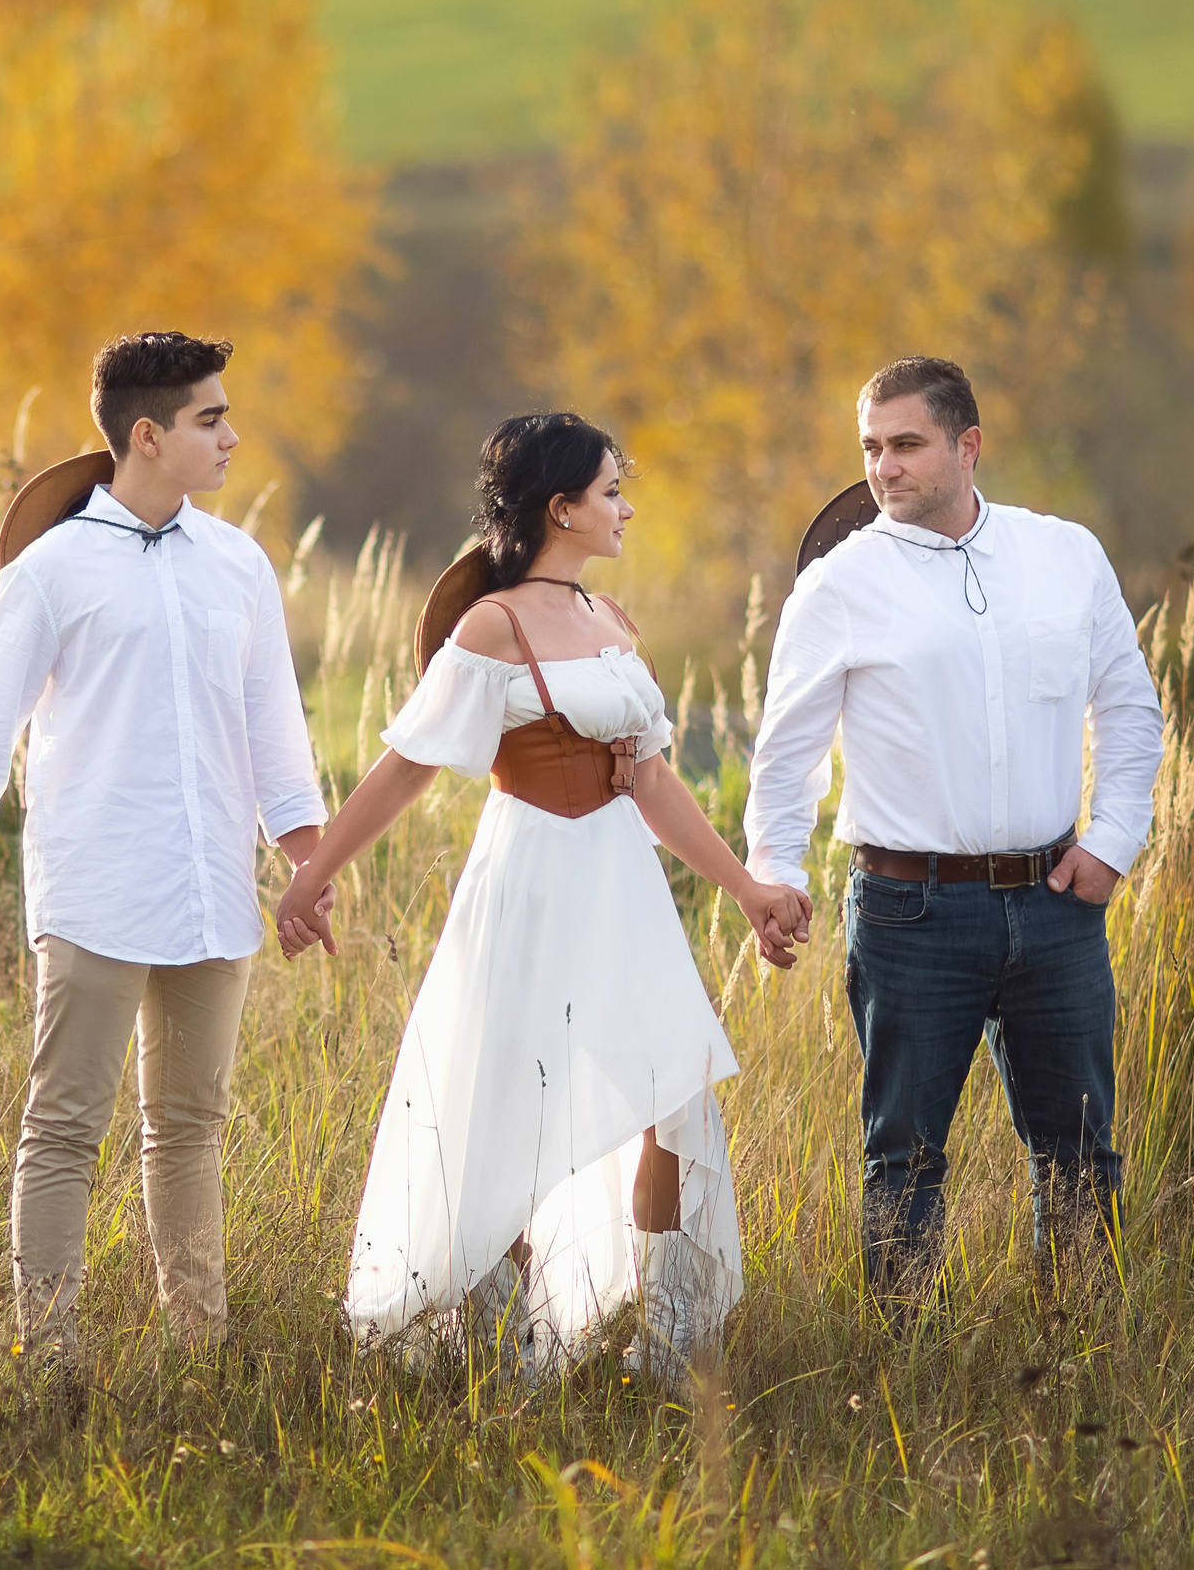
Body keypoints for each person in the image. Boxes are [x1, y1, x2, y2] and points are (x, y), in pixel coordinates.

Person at [274, 413, 810, 1386]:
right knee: (514, 1103)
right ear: (560, 507)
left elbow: (648, 780)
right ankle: (502, 1350)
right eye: (611, 490)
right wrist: (315, 873)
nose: (626, 506)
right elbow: (406, 768)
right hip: (529, 881)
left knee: (670, 1095)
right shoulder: (494, 626)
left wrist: (746, 889)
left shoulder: (614, 624)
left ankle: (672, 1342)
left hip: (623, 888)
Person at [0, 331, 328, 1361]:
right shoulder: (48, 571)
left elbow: (278, 738)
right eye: (209, 418)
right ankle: (47, 1356)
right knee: (64, 1125)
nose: (230, 435)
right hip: (95, 883)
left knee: (189, 1125)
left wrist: (308, 869)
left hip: (215, 884)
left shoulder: (238, 564)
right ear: (147, 434)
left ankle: (197, 1349)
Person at [743, 356, 1163, 1311]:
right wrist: (776, 871)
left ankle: (1085, 1348)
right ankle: (907, 1373)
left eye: (906, 445)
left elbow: (1130, 711)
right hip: (909, 909)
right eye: (870, 448)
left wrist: (1112, 841)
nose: (882, 469)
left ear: (968, 445)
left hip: (1056, 903)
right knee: (905, 1153)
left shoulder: (1065, 554)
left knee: (1081, 1144)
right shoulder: (837, 585)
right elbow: (786, 753)